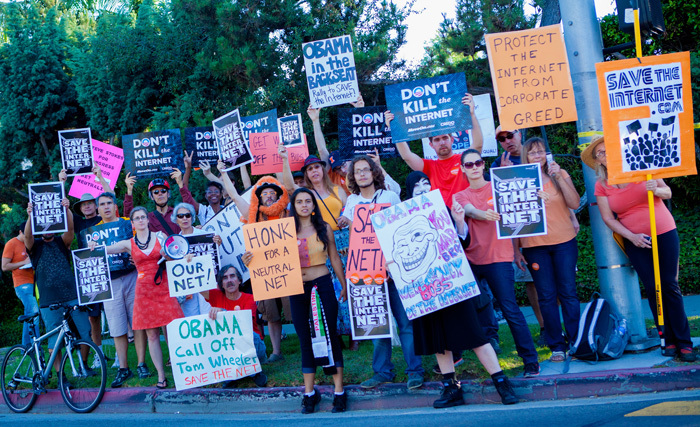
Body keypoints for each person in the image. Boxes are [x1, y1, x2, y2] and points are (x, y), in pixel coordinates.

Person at [393, 182, 517, 408]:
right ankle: (451, 388)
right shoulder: (399, 223)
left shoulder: (443, 213)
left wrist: (459, 221)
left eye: (426, 185)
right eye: (416, 187)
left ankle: (501, 382)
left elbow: (464, 242)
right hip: (425, 293)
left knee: (476, 335)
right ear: (409, 195)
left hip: (454, 287)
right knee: (440, 341)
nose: (422, 190)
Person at [582, 136, 696, 362]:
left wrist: (656, 187)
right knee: (653, 287)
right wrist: (632, 237)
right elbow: (608, 218)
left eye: (608, 149)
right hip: (635, 239)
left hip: (663, 231)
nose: (606, 155)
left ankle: (684, 342)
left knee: (669, 285)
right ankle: (667, 338)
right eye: (600, 154)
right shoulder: (601, 185)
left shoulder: (643, 167)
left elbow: (668, 193)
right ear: (598, 161)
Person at [243, 187, 348, 414]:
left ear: (313, 205)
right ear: (293, 206)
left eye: (308, 201)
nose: (303, 205)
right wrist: (249, 260)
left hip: (322, 285)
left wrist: (344, 284)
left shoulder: (325, 229)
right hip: (296, 289)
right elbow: (264, 257)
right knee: (304, 338)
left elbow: (335, 258)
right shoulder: (283, 232)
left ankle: (339, 391)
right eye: (299, 201)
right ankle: (309, 393)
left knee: (330, 334)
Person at [338, 155, 425, 390]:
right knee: (377, 324)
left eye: (366, 169)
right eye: (358, 171)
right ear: (353, 177)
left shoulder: (390, 197)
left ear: (374, 172)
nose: (363, 174)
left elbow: (402, 229)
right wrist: (344, 223)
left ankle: (414, 370)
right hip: (367, 272)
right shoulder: (352, 201)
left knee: (406, 323)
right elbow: (349, 229)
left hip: (394, 269)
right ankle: (382, 372)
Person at [454, 149, 540, 377]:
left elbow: (524, 205)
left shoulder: (500, 187)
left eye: (477, 163)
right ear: (462, 169)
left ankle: (530, 360)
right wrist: (482, 214)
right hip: (472, 259)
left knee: (510, 308)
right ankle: (473, 357)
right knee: (470, 311)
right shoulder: (460, 195)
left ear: (483, 165)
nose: (473, 167)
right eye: (468, 165)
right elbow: (470, 211)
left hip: (499, 258)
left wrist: (537, 197)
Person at [90, 206, 183, 388]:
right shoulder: (128, 243)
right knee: (152, 334)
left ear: (148, 220)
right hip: (143, 291)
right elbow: (107, 249)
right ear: (132, 223)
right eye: (137, 218)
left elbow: (175, 256)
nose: (141, 220)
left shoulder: (161, 237)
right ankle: (161, 377)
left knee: (172, 330)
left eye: (143, 217)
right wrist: (95, 246)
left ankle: (181, 370)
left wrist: (171, 257)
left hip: (163, 287)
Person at [516, 138, 581, 362]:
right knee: (546, 296)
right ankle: (556, 345)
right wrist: (516, 250)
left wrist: (558, 178)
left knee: (568, 293)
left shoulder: (558, 174)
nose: (537, 156)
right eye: (532, 153)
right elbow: (511, 219)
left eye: (541, 152)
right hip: (534, 246)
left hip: (564, 241)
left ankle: (576, 340)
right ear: (525, 156)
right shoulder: (517, 179)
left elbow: (574, 202)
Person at [219, 165, 290, 363]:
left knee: (296, 311)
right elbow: (234, 197)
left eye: (271, 193)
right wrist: (224, 174)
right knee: (271, 314)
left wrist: (281, 160)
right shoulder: (253, 215)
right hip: (264, 271)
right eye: (264, 193)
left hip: (287, 269)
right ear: (258, 197)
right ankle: (276, 352)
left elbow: (289, 186)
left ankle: (307, 347)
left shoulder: (287, 212)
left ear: (278, 196)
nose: (268, 196)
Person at [85, 192, 149, 386]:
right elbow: (89, 261)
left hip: (131, 276)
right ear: (98, 208)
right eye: (102, 204)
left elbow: (143, 243)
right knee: (116, 327)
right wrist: (90, 250)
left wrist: (136, 255)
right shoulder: (91, 232)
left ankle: (141, 364)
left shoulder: (128, 223)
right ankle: (123, 368)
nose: (106, 207)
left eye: (109, 203)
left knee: (137, 322)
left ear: (115, 206)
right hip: (109, 282)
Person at [24, 199, 92, 376]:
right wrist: (31, 216)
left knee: (85, 331)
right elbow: (27, 237)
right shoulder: (35, 246)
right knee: (55, 341)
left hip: (72, 296)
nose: (47, 229)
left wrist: (67, 210)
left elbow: (70, 229)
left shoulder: (62, 242)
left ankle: (84, 365)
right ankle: (61, 375)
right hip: (49, 301)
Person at [387, 93, 483, 209]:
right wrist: (396, 129)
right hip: (441, 221)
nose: (442, 142)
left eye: (444, 138)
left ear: (452, 140)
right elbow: (407, 156)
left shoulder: (464, 160)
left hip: (466, 216)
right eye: (437, 140)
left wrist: (472, 114)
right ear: (431, 145)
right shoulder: (429, 166)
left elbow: (477, 145)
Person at [202, 265, 268, 387]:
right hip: (228, 348)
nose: (230, 281)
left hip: (253, 345)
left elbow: (243, 326)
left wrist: (222, 312)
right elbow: (196, 284)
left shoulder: (250, 299)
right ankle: (231, 375)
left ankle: (254, 372)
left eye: (233, 276)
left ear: (239, 280)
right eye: (225, 278)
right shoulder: (216, 296)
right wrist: (189, 263)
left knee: (250, 335)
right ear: (221, 284)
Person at [171, 202, 217, 316]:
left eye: (188, 215)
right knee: (191, 318)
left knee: (209, 315)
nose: (184, 218)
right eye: (180, 216)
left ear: (192, 217)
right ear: (176, 220)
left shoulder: (205, 235)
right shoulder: (174, 242)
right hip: (188, 287)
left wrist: (217, 244)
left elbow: (214, 257)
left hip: (206, 282)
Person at [123, 168, 198, 235]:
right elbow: (129, 220)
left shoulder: (178, 214)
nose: (160, 194)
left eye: (163, 191)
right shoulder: (148, 218)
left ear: (168, 194)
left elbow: (191, 209)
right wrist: (129, 191)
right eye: (156, 192)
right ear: (151, 197)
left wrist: (180, 184)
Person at [2, 223, 39, 347]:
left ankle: (27, 347)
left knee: (29, 315)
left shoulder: (31, 242)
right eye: (27, 234)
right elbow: (4, 266)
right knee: (34, 313)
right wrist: (23, 262)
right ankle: (36, 347)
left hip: (34, 283)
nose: (29, 236)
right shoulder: (11, 244)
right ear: (20, 232)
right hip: (22, 284)